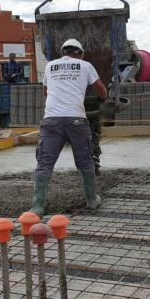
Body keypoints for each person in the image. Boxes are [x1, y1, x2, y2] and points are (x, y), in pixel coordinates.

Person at [30, 39, 108, 216]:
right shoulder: (85, 65)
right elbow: (102, 91)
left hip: (51, 120)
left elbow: (46, 92)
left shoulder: (50, 66)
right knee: (85, 161)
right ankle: (91, 201)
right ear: (80, 53)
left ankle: (37, 207)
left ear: (63, 52)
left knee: (44, 163)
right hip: (76, 120)